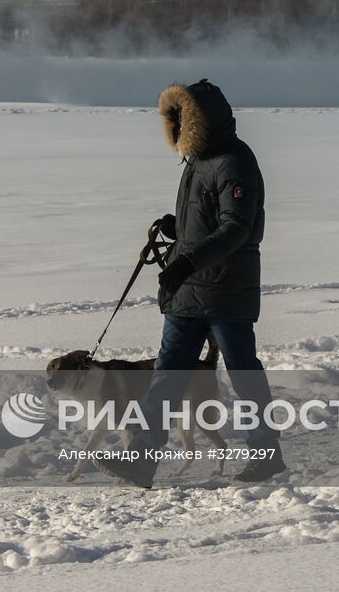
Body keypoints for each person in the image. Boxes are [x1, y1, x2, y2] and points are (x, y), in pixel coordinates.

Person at [98, 79, 285, 487]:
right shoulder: (197, 160)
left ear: (201, 119)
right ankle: (140, 457)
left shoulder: (234, 161)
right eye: (174, 119)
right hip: (189, 289)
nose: (177, 126)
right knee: (167, 372)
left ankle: (266, 454)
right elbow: (209, 217)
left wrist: (187, 260)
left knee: (242, 371)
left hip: (226, 288)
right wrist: (178, 227)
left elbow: (237, 226)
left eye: (183, 118)